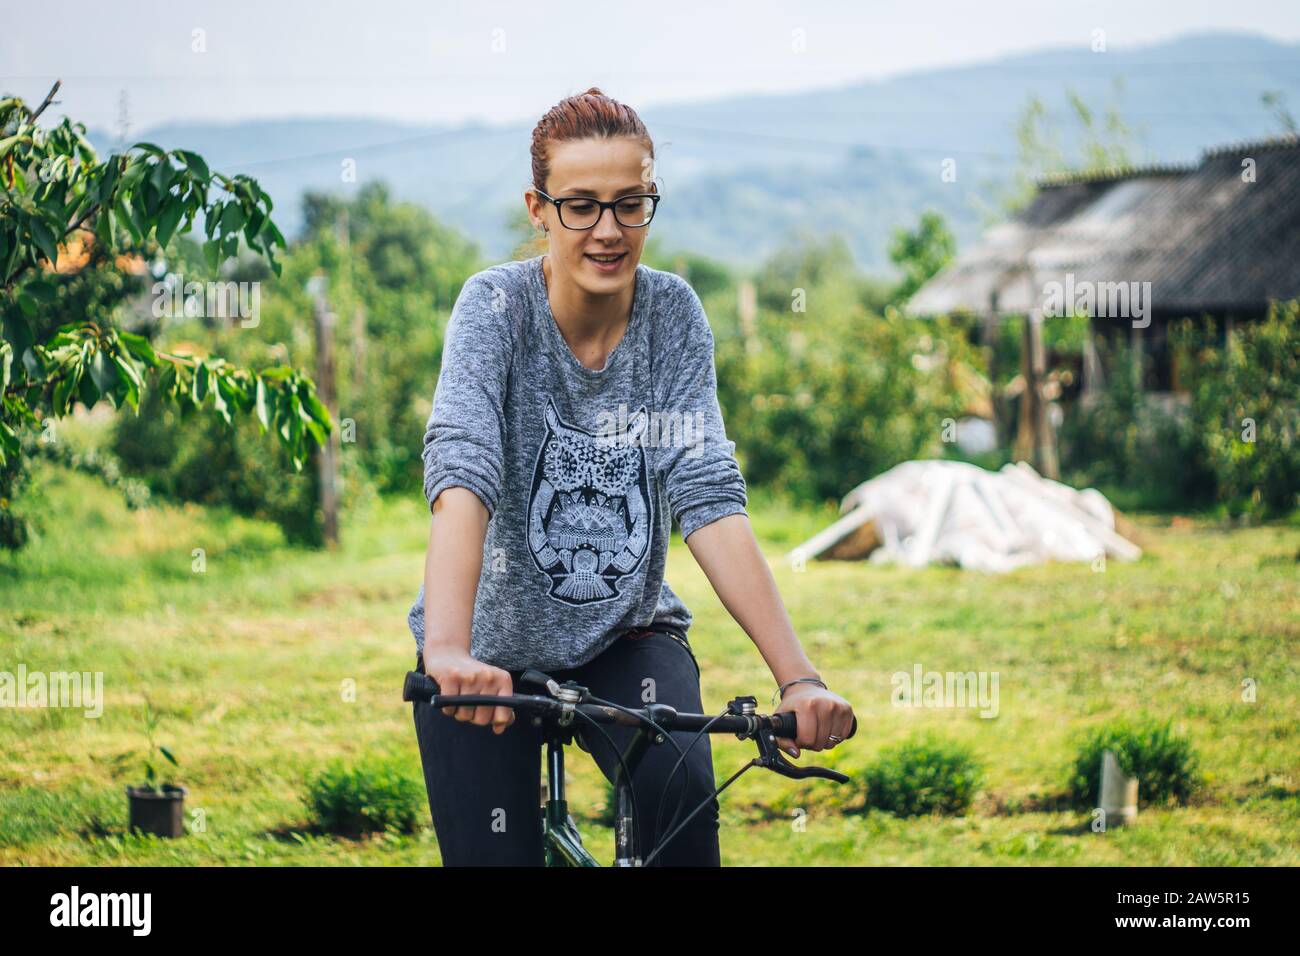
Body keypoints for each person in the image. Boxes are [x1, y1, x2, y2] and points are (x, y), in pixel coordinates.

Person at [407, 87, 855, 866]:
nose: (608, 231)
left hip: (628, 636)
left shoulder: (673, 315)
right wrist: (447, 648)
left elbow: (708, 494)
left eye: (630, 204)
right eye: (580, 206)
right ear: (538, 209)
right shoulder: (495, 310)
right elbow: (463, 471)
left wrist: (799, 680)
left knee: (680, 807)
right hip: (485, 653)